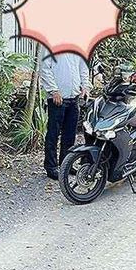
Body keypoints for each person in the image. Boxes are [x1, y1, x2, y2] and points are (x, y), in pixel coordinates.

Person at [39, 48, 90, 180]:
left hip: (74, 97)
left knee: (70, 135)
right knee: (53, 134)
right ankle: (51, 167)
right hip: (57, 98)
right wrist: (53, 90)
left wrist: (85, 86)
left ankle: (65, 164)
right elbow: (45, 68)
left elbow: (83, 67)